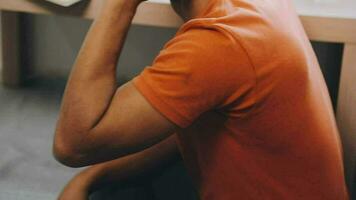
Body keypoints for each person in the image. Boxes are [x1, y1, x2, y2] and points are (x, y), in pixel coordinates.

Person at [53, 0, 350, 199]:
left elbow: (73, 143)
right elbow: (182, 120)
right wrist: (93, 178)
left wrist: (119, 5)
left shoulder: (219, 43)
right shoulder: (253, 10)